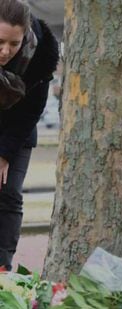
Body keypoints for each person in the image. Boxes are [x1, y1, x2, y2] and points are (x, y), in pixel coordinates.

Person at [0, 0, 59, 270]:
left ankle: (2, 268)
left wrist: (4, 154)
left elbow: (32, 110)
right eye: (0, 42)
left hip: (17, 130)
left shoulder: (42, 51)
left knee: (8, 192)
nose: (5, 51)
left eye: (14, 43)